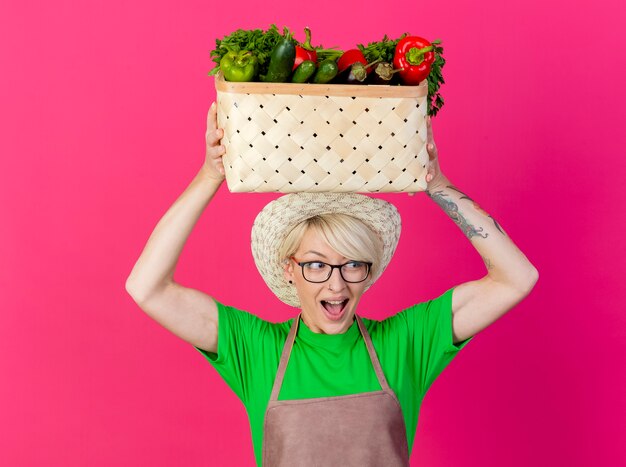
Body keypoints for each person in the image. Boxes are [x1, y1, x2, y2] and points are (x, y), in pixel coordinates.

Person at [125, 101, 539, 466]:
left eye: (352, 265)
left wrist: (437, 185)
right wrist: (208, 177)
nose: (337, 285)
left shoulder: (406, 343)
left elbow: (517, 278)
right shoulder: (255, 349)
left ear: (369, 270)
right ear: (290, 268)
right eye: (318, 265)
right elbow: (147, 287)